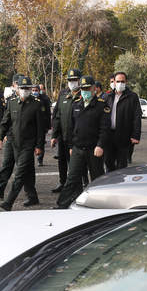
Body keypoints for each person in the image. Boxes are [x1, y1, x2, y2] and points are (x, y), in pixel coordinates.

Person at [55, 76, 109, 208]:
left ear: (94, 89)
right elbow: (71, 128)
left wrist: (100, 145)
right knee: (72, 178)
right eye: (83, 89)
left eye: (88, 88)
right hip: (78, 148)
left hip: (94, 149)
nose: (85, 91)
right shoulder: (76, 104)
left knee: (97, 179)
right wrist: (71, 146)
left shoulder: (101, 106)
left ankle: (100, 205)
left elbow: (105, 129)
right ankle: (62, 205)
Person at [0, 76, 44, 211]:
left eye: (27, 88)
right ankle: (32, 197)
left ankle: (9, 202)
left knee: (20, 172)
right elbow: (5, 122)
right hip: (14, 143)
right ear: (17, 89)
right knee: (27, 170)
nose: (25, 90)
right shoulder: (12, 103)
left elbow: (41, 128)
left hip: (28, 144)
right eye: (22, 88)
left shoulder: (37, 104)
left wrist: (39, 146)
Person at [50, 69, 82, 192]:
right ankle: (62, 182)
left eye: (74, 80)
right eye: (70, 80)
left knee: (76, 163)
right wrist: (54, 135)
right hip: (63, 136)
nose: (72, 82)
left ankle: (78, 185)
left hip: (76, 137)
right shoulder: (63, 94)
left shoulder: (83, 94)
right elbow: (57, 116)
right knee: (62, 161)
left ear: (79, 80)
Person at [104, 72, 141, 171]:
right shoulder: (107, 96)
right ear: (114, 82)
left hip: (124, 136)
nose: (120, 83)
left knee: (121, 166)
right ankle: (110, 180)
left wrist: (136, 135)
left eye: (122, 81)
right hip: (109, 136)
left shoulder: (132, 97)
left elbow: (137, 117)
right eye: (118, 81)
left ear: (126, 82)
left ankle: (120, 181)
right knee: (108, 164)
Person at [32, 83, 51, 167]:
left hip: (42, 125)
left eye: (36, 90)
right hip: (32, 125)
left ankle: (40, 159)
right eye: (33, 90)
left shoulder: (44, 99)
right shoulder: (30, 99)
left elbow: (48, 113)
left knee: (41, 142)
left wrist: (48, 126)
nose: (34, 92)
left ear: (39, 91)